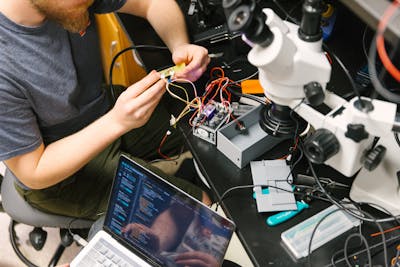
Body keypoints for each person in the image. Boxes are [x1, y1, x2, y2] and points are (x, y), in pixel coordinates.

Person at [0, 0, 211, 220]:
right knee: (201, 212)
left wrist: (179, 45)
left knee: (204, 127)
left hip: (103, 108)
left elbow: (151, 3)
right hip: (60, 172)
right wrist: (117, 122)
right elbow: (33, 172)